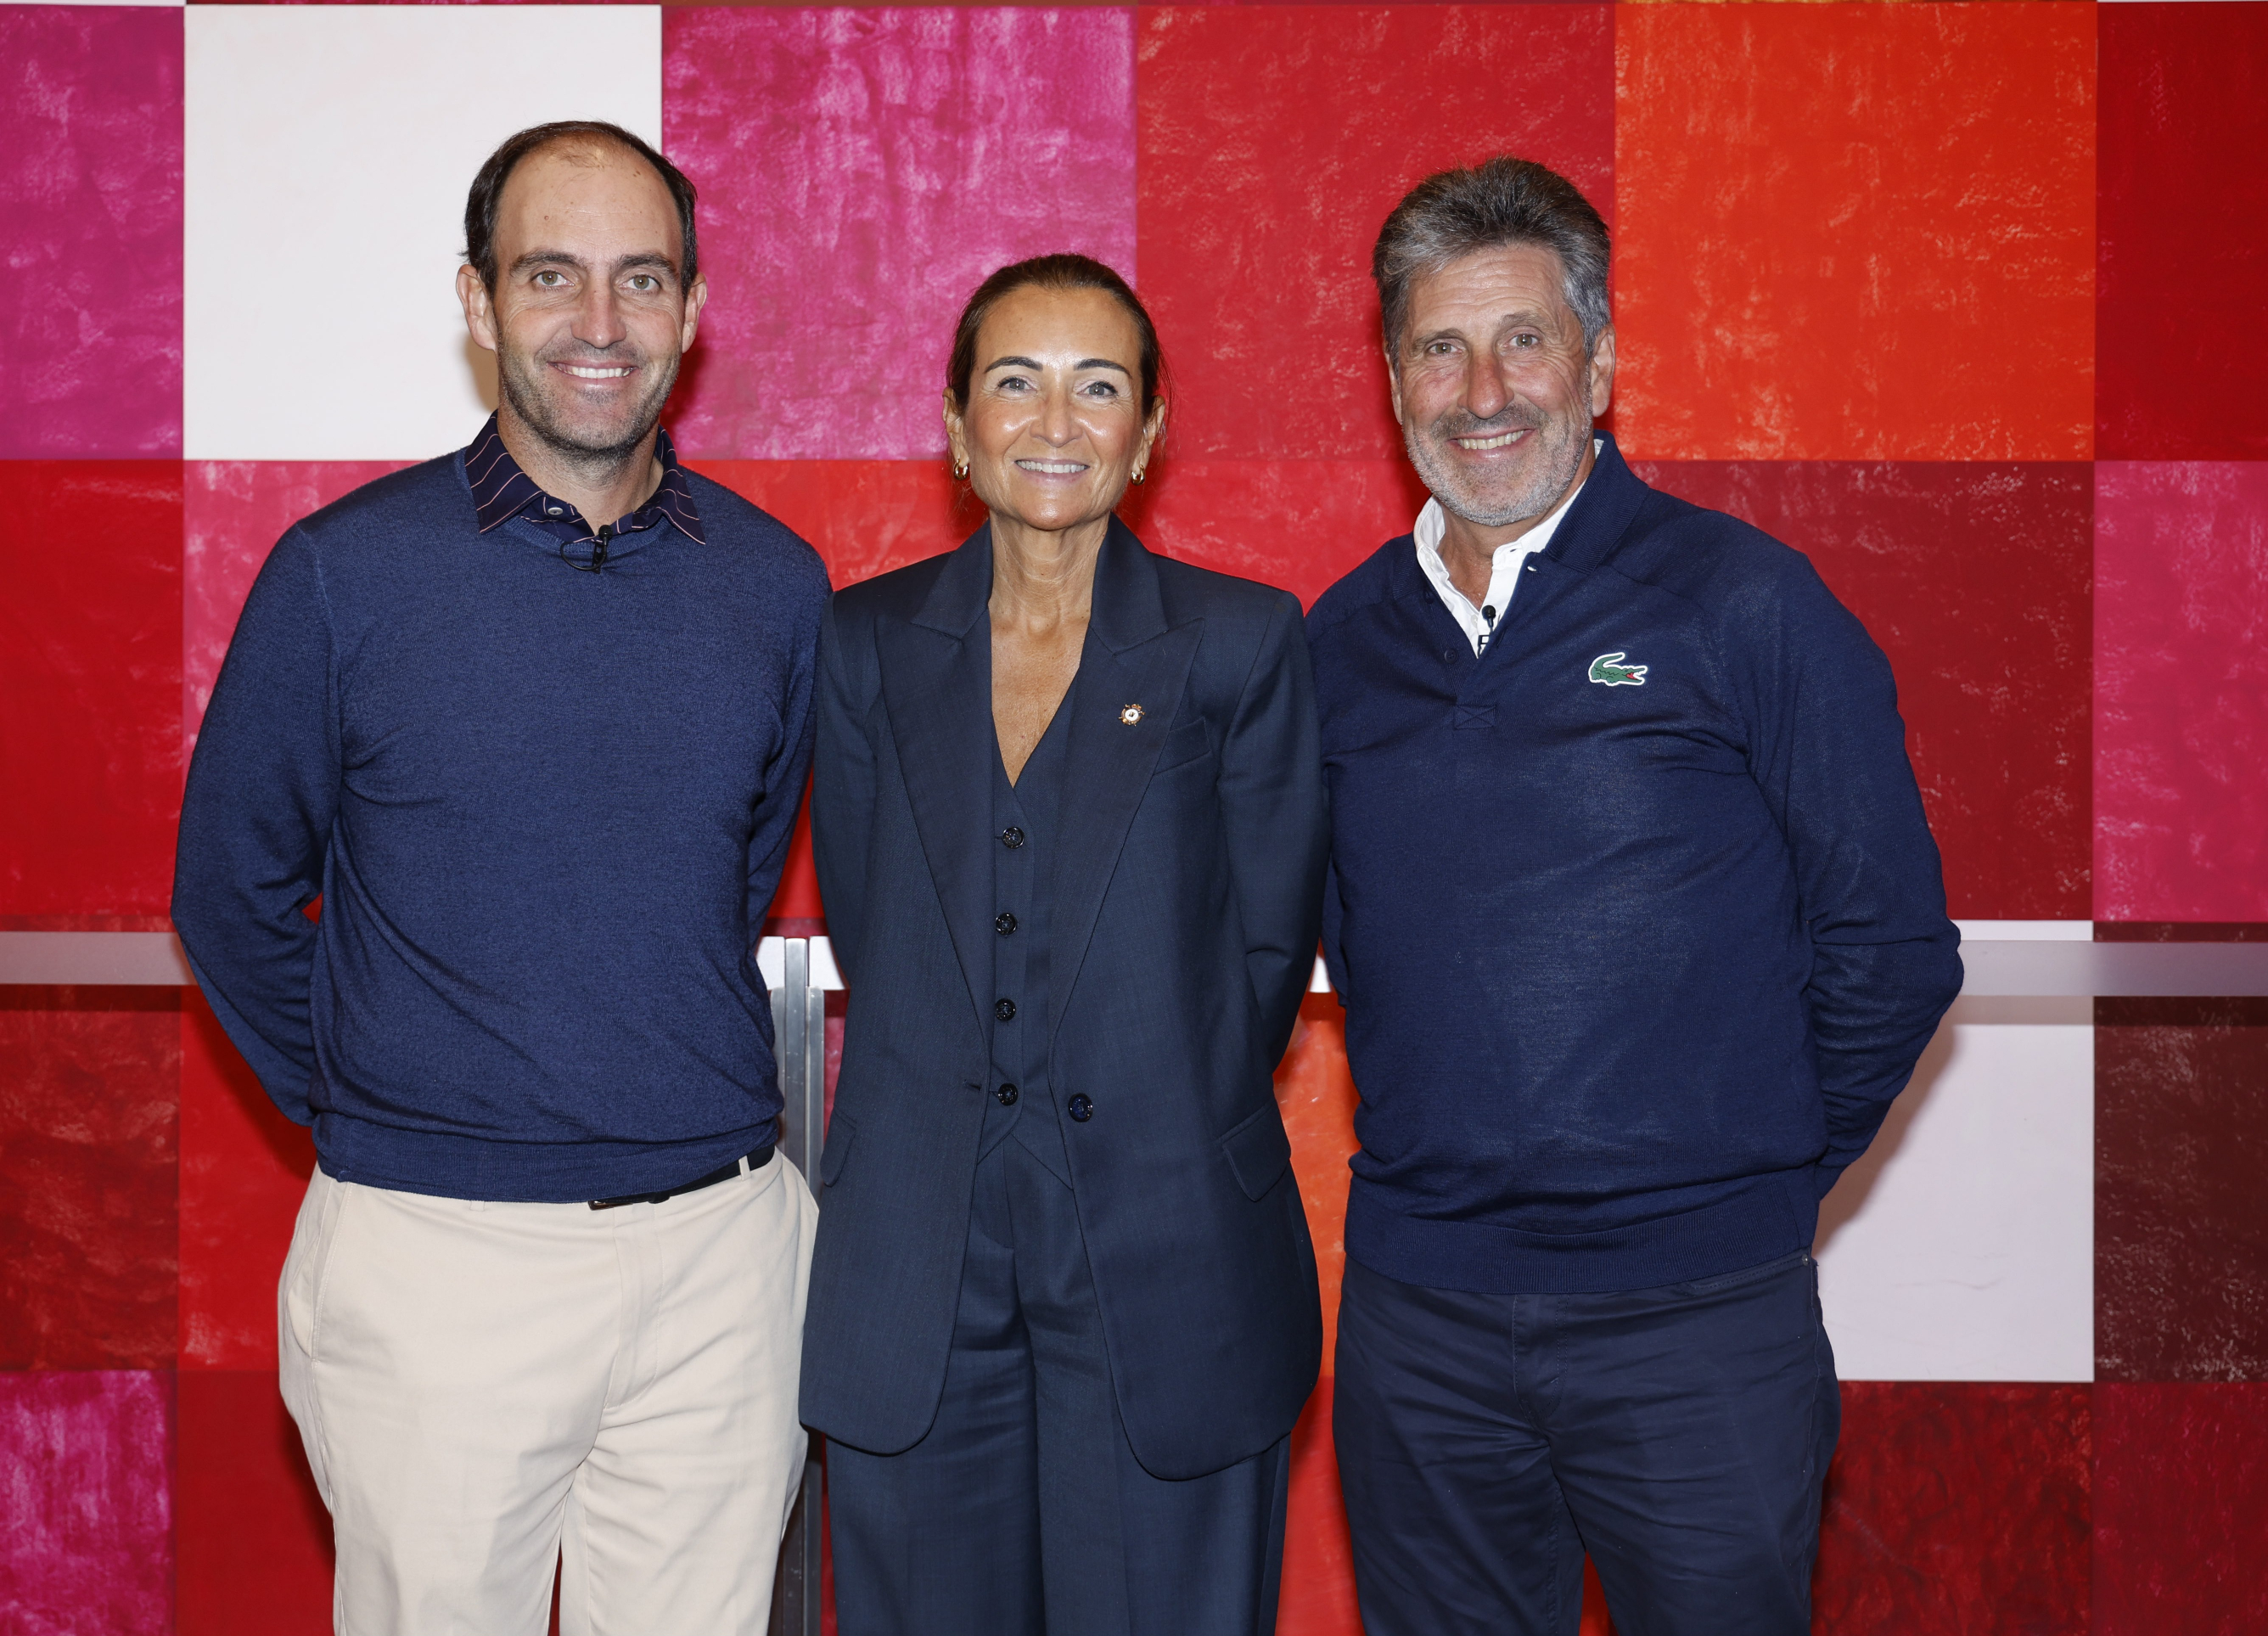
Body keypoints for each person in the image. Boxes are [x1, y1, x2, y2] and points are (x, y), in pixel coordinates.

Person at [171, 121, 829, 1635]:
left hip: (722, 1259)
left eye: (641, 280)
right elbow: (231, 891)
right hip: (434, 1259)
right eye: (552, 275)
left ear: (693, 307)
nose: (600, 326)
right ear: (477, 300)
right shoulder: (343, 572)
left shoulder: (776, 583)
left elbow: (724, 882)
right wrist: (379, 1102)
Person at [1307, 157, 1964, 1634]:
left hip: (1697, 1328)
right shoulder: (1340, 642)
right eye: (1438, 346)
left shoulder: (1745, 601)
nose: (1484, 389)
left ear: (1599, 362)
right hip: (1423, 1328)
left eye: (1524, 339)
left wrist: (1744, 1177)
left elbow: (1894, 948)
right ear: (1394, 377)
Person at [800, 254, 1329, 1636]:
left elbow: (1263, 958)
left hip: (1168, 1252)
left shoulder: (1240, 644)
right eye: (1014, 383)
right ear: (956, 426)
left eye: (1099, 388)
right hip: (918, 1258)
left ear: (1147, 433)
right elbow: (873, 915)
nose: (1054, 422)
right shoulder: (860, 644)